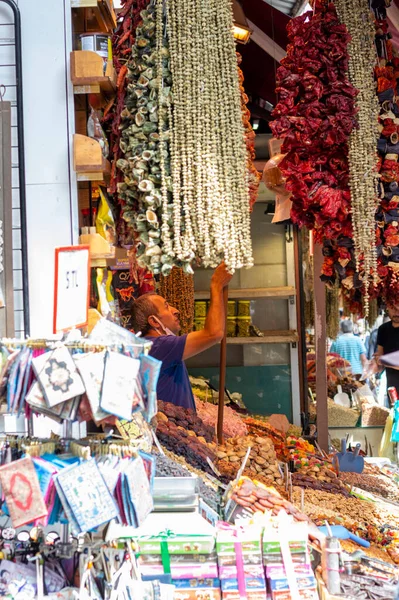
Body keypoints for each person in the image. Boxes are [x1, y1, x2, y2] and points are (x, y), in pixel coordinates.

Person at [131, 263, 232, 410]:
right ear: (154, 321)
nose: (176, 310)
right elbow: (214, 333)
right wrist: (216, 285)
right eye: (166, 306)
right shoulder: (158, 346)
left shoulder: (150, 346)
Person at [376, 305, 399, 393]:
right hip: (392, 388)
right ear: (387, 308)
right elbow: (380, 356)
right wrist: (374, 362)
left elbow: (381, 359)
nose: (397, 313)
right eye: (394, 308)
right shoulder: (383, 329)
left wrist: (382, 360)